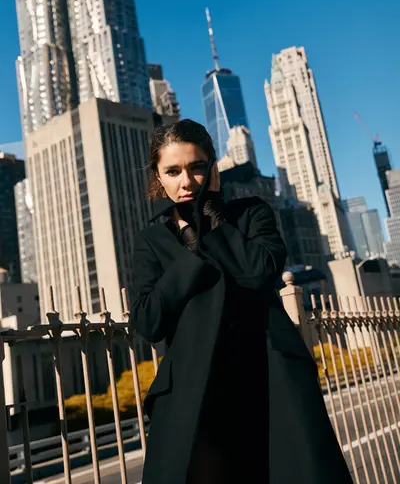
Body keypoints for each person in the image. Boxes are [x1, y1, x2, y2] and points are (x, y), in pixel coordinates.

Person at [130, 119, 352, 484]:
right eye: (172, 171)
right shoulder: (152, 239)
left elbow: (263, 269)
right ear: (158, 176)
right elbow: (149, 320)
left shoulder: (250, 213)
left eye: (197, 166)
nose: (186, 182)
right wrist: (190, 253)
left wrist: (213, 225)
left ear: (212, 167)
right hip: (194, 391)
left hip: (268, 374)